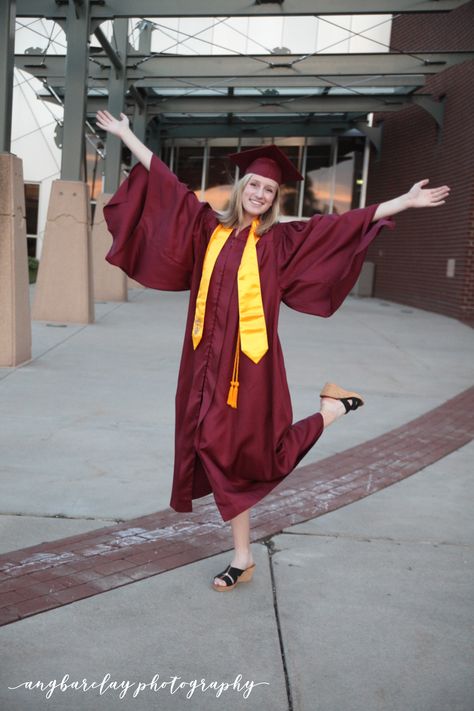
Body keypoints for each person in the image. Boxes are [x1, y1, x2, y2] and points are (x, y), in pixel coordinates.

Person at [95, 110, 450, 592]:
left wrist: (402, 203)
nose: (260, 194)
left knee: (251, 457)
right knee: (214, 450)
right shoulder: (206, 229)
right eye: (254, 185)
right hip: (202, 364)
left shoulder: (281, 241)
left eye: (268, 189)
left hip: (250, 369)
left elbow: (342, 225)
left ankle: (329, 412)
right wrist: (126, 136)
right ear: (241, 187)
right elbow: (166, 183)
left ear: (274, 198)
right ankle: (243, 556)